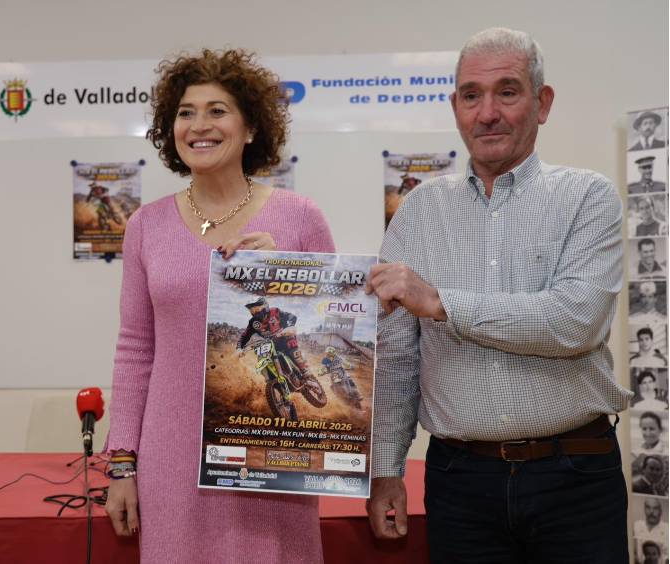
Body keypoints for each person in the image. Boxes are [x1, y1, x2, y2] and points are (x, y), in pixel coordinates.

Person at [365, 28, 631, 563]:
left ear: (542, 103)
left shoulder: (588, 197)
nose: (487, 113)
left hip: (576, 477)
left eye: (507, 92)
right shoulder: (417, 212)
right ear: (455, 107)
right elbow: (396, 357)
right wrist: (386, 470)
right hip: (459, 482)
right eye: (471, 95)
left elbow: (575, 322)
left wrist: (441, 302)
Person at [104, 49, 334, 563]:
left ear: (250, 128)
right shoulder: (146, 225)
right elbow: (135, 349)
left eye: (217, 110)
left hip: (270, 456)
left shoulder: (300, 218)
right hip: (171, 457)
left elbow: (332, 318)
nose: (199, 125)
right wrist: (122, 463)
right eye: (185, 112)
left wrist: (287, 272)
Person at [236, 297, 313, 379]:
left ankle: (304, 369)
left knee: (291, 343)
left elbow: (291, 316)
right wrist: (239, 348)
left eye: (257, 309)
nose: (254, 312)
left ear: (265, 307)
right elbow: (245, 336)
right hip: (270, 345)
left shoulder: (275, 311)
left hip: (284, 339)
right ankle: (270, 380)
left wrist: (289, 326)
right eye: (252, 310)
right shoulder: (253, 322)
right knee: (262, 358)